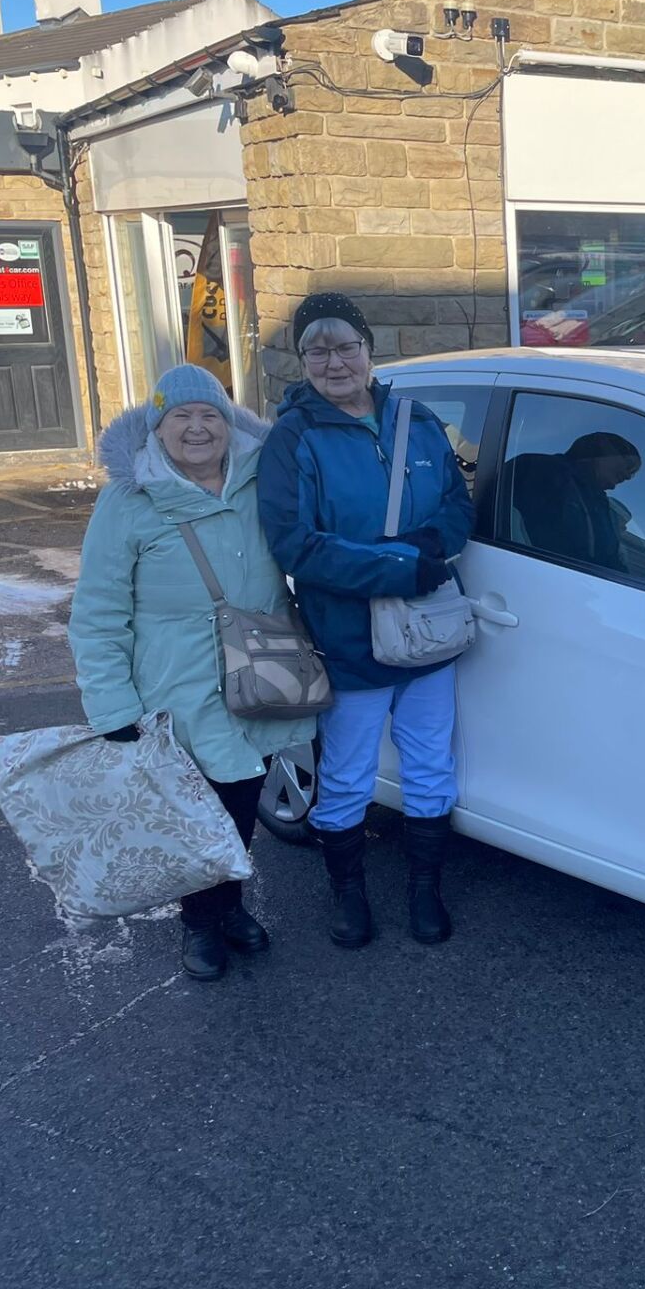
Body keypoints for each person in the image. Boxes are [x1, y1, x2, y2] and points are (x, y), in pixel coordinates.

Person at [69, 365, 316, 981]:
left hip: (259, 672)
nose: (198, 428)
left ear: (229, 423)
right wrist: (113, 709)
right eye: (181, 416)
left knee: (238, 799)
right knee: (195, 810)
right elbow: (98, 612)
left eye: (210, 414)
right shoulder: (130, 501)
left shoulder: (262, 481)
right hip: (174, 687)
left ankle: (225, 907)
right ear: (158, 428)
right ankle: (202, 924)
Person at [258, 293, 475, 950]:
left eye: (345, 345)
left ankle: (424, 889)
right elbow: (295, 542)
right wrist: (400, 569)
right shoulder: (294, 439)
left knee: (431, 764)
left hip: (429, 635)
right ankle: (348, 896)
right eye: (316, 349)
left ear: (368, 349)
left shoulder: (418, 420)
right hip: (349, 641)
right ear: (302, 360)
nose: (334, 361)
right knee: (349, 774)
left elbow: (456, 501)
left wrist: (433, 549)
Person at [507, 432, 642, 568]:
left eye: (631, 472)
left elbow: (608, 556)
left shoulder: (600, 502)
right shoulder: (537, 469)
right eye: (628, 464)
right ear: (602, 449)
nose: (627, 475)